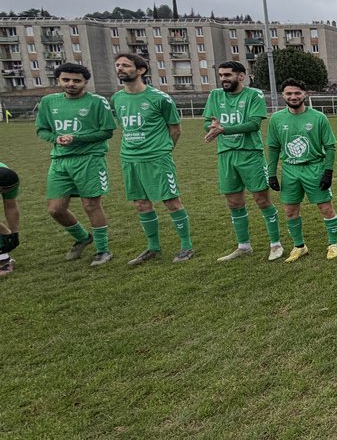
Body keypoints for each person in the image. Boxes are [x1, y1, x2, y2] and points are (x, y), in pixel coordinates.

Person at [112, 54, 195, 265]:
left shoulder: (160, 98)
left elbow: (175, 130)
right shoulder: (117, 98)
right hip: (130, 159)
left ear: (140, 70)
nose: (120, 68)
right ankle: (153, 247)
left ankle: (186, 246)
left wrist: (164, 151)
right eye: (118, 65)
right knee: (141, 204)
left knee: (171, 201)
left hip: (157, 158)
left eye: (126, 65)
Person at [203, 60, 283, 261]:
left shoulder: (253, 95)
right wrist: (211, 127)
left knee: (262, 199)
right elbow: (208, 122)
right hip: (225, 155)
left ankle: (275, 244)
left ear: (241, 76)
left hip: (250, 153)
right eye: (221, 75)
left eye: (228, 75)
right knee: (233, 202)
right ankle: (244, 246)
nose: (223, 79)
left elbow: (254, 124)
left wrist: (224, 129)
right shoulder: (215, 95)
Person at [36, 63, 115, 266]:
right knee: (55, 209)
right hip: (60, 160)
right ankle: (82, 237)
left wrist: (77, 138)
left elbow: (107, 131)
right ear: (59, 80)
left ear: (85, 82)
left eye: (76, 80)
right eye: (66, 80)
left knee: (91, 204)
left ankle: (103, 250)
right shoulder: (48, 102)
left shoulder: (97, 102)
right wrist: (56, 137)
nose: (71, 84)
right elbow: (41, 130)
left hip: (89, 158)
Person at [266, 78, 337, 261]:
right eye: (289, 93)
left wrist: (328, 171)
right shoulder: (276, 119)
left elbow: (330, 146)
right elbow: (274, 148)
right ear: (283, 95)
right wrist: (272, 174)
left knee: (325, 207)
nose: (293, 97)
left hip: (314, 168)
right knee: (290, 211)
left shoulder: (318, 117)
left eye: (297, 93)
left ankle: (333, 244)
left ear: (305, 94)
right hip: (290, 170)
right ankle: (299, 246)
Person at [0, 163, 21, 277]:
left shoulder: (10, 179)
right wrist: (6, 232)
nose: (7, 192)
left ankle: (3, 261)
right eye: (4, 190)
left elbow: (11, 206)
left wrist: (14, 233)